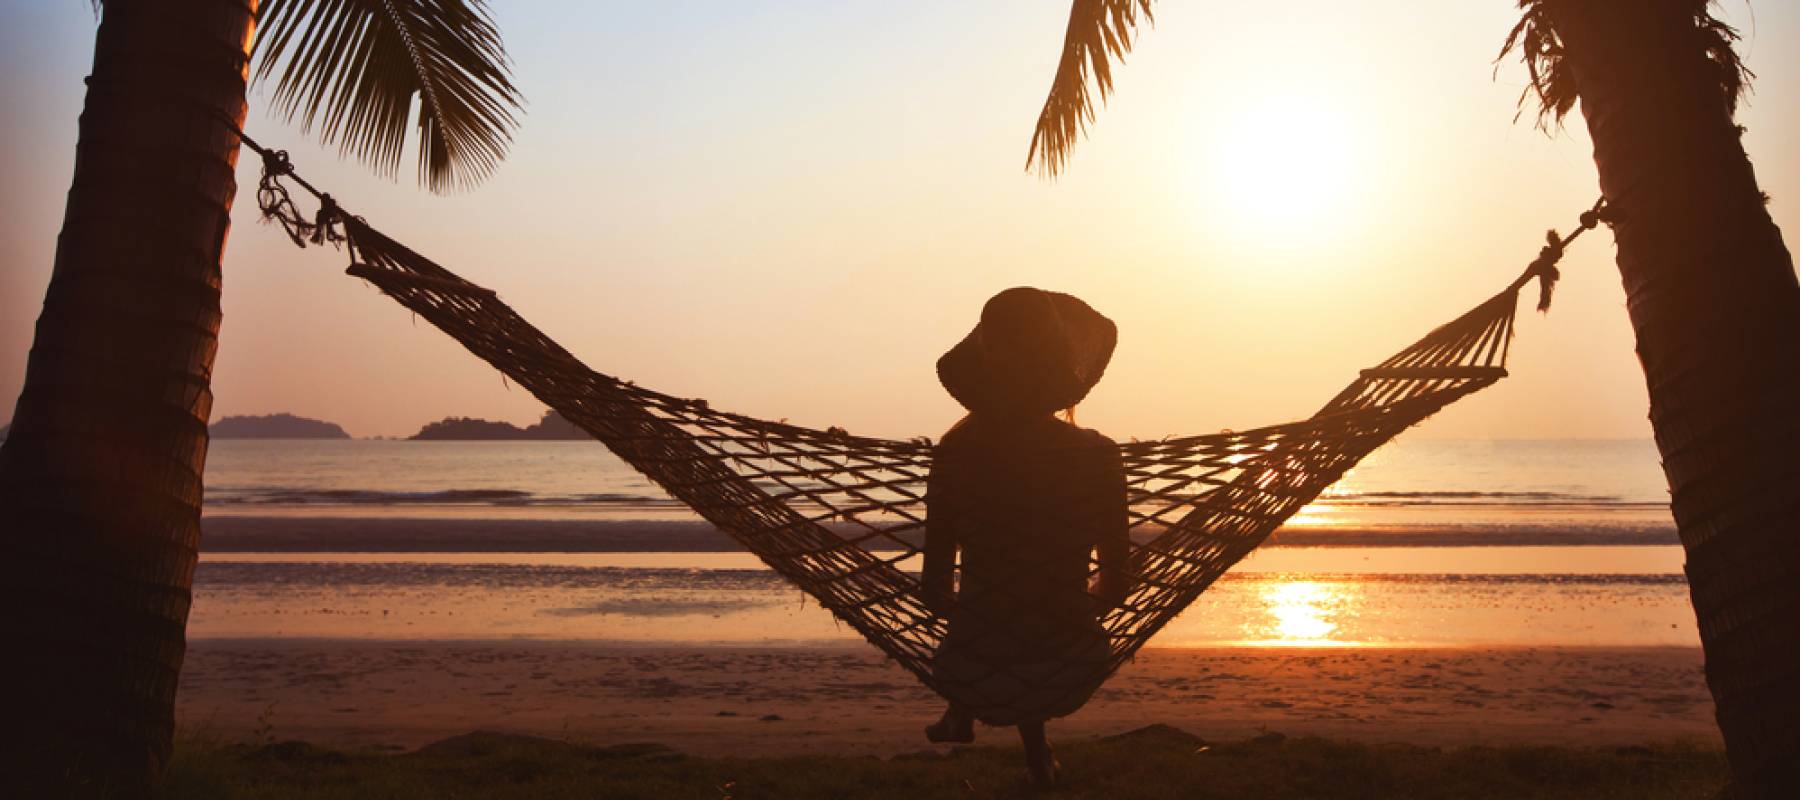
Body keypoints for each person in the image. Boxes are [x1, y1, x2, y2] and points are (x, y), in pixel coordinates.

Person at [920, 287, 1131, 788]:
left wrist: (991, 616)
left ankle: (963, 712)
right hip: (1070, 661)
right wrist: (1061, 609)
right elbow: (1117, 585)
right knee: (1026, 617)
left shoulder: (957, 456)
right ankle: (1035, 756)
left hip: (970, 668)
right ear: (1060, 366)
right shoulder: (1098, 457)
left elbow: (934, 590)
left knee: (995, 617)